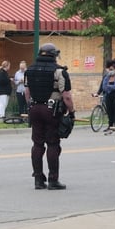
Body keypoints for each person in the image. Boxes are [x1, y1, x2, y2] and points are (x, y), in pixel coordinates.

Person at [24, 43, 75, 190]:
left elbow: (27, 93)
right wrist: (71, 112)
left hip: (34, 108)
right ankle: (53, 179)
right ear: (54, 55)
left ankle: (38, 179)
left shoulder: (30, 70)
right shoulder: (59, 71)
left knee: (37, 144)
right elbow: (66, 96)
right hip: (51, 110)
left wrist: (32, 107)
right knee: (53, 143)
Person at [94, 59, 115, 129]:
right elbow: (102, 86)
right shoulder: (106, 77)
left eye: (111, 69)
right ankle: (110, 125)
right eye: (109, 69)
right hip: (108, 95)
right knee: (109, 110)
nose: (109, 71)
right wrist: (97, 93)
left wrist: (108, 86)